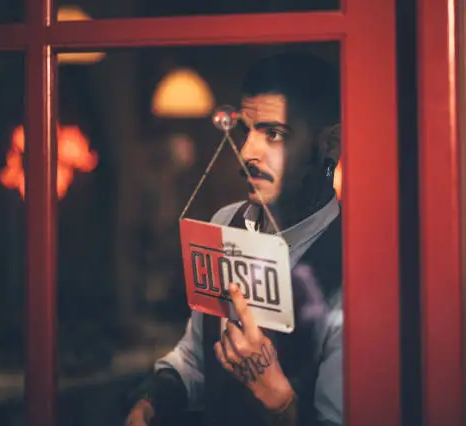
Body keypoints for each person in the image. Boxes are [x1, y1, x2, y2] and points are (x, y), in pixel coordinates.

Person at [125, 51, 342, 426]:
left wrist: (278, 398)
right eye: (245, 132)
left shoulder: (352, 259)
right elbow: (194, 356)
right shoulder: (226, 222)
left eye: (274, 134)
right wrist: (150, 402)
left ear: (330, 145)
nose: (245, 154)